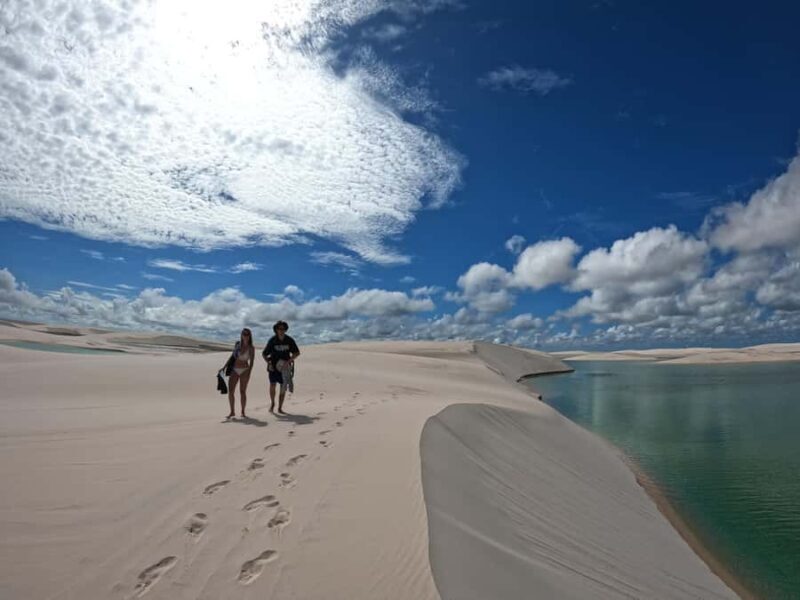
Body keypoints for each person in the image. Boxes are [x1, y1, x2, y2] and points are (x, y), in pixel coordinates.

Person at [262, 320, 300, 414]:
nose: (281, 330)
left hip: (285, 368)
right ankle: (272, 403)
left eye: (283, 329)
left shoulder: (289, 340)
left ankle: (280, 408)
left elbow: (297, 353)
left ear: (285, 329)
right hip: (273, 367)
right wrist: (269, 363)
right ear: (276, 329)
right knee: (272, 385)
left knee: (283, 387)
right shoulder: (272, 340)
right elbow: (264, 354)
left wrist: (288, 361)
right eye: (279, 328)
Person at [227, 328, 255, 419]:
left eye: (247, 334)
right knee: (231, 391)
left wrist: (249, 373)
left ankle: (243, 411)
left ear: (250, 336)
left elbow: (252, 362)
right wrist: (225, 366)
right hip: (234, 369)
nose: (245, 336)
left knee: (242, 391)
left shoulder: (251, 348)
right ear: (241, 335)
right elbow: (232, 357)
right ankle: (232, 411)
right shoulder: (237, 344)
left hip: (245, 370)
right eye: (244, 334)